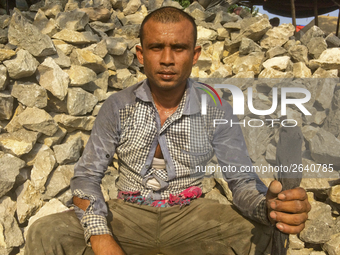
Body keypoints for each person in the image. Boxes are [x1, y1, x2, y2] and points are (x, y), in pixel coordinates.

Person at [25, 6, 310, 255]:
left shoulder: (216, 109)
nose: (167, 59)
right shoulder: (117, 106)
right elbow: (86, 178)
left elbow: (242, 182)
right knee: (46, 232)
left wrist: (269, 207)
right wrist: (100, 236)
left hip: (193, 216)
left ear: (195, 54)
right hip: (127, 215)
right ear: (140, 53)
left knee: (263, 231)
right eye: (156, 47)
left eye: (179, 48)